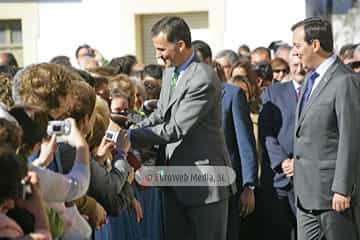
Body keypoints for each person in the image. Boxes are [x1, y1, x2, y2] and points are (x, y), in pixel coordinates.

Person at [129, 16, 234, 240]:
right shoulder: (170, 72)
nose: (158, 56)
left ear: (180, 45)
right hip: (174, 181)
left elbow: (175, 129)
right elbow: (161, 114)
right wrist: (134, 125)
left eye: (161, 49)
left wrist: (131, 136)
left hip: (204, 186)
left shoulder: (203, 78)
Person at [292, 17, 360, 240]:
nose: (295, 53)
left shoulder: (344, 81)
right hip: (305, 196)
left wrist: (342, 187)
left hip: (333, 197)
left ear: (315, 45)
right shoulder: (310, 79)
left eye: (298, 45)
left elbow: (351, 138)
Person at [259, 52, 306, 240]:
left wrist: (300, 163)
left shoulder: (319, 91)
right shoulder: (273, 92)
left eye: (302, 64)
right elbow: (266, 133)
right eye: (295, 65)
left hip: (308, 178)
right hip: (280, 178)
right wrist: (282, 161)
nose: (299, 68)